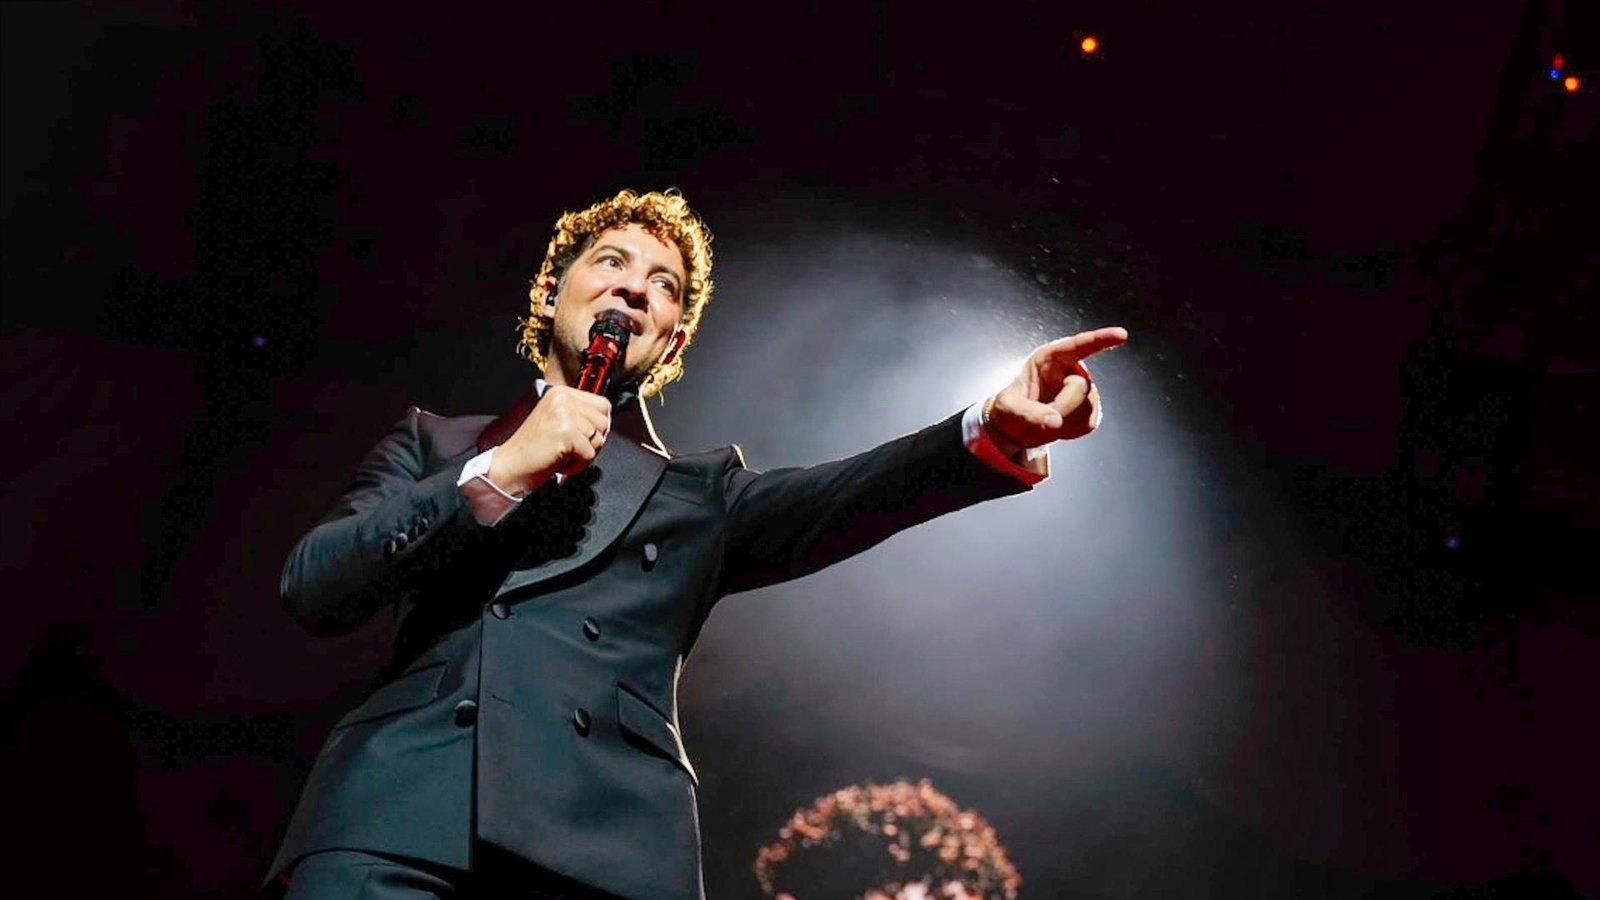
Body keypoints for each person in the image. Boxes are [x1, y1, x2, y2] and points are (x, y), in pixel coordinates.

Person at [266, 189, 1127, 899]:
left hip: (603, 852)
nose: (635, 289)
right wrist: (499, 471)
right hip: (403, 824)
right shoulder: (434, 442)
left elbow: (847, 497)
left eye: (664, 285)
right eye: (611, 264)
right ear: (554, 291)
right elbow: (317, 585)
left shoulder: (700, 495)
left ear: (672, 340)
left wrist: (987, 429)